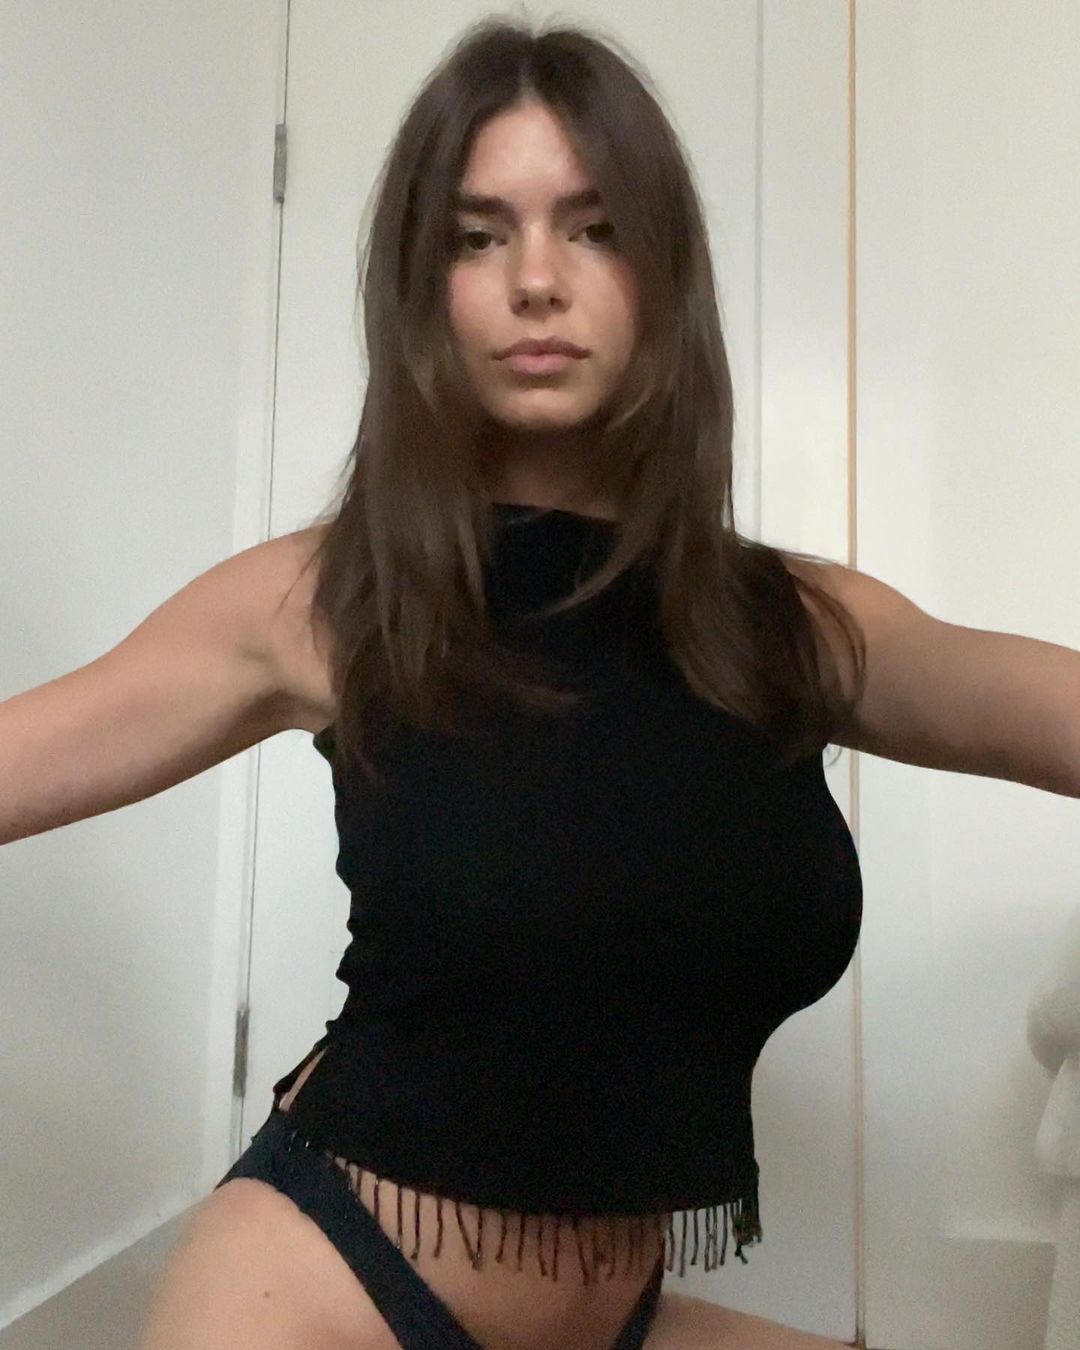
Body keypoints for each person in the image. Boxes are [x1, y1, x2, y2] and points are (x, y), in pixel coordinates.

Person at [7, 16, 866, 1350]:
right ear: (425, 285)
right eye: (478, 236)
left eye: (594, 228)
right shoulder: (327, 597)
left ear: (665, 271)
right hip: (326, 1291)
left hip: (617, 1318)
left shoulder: (782, 623)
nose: (537, 279)